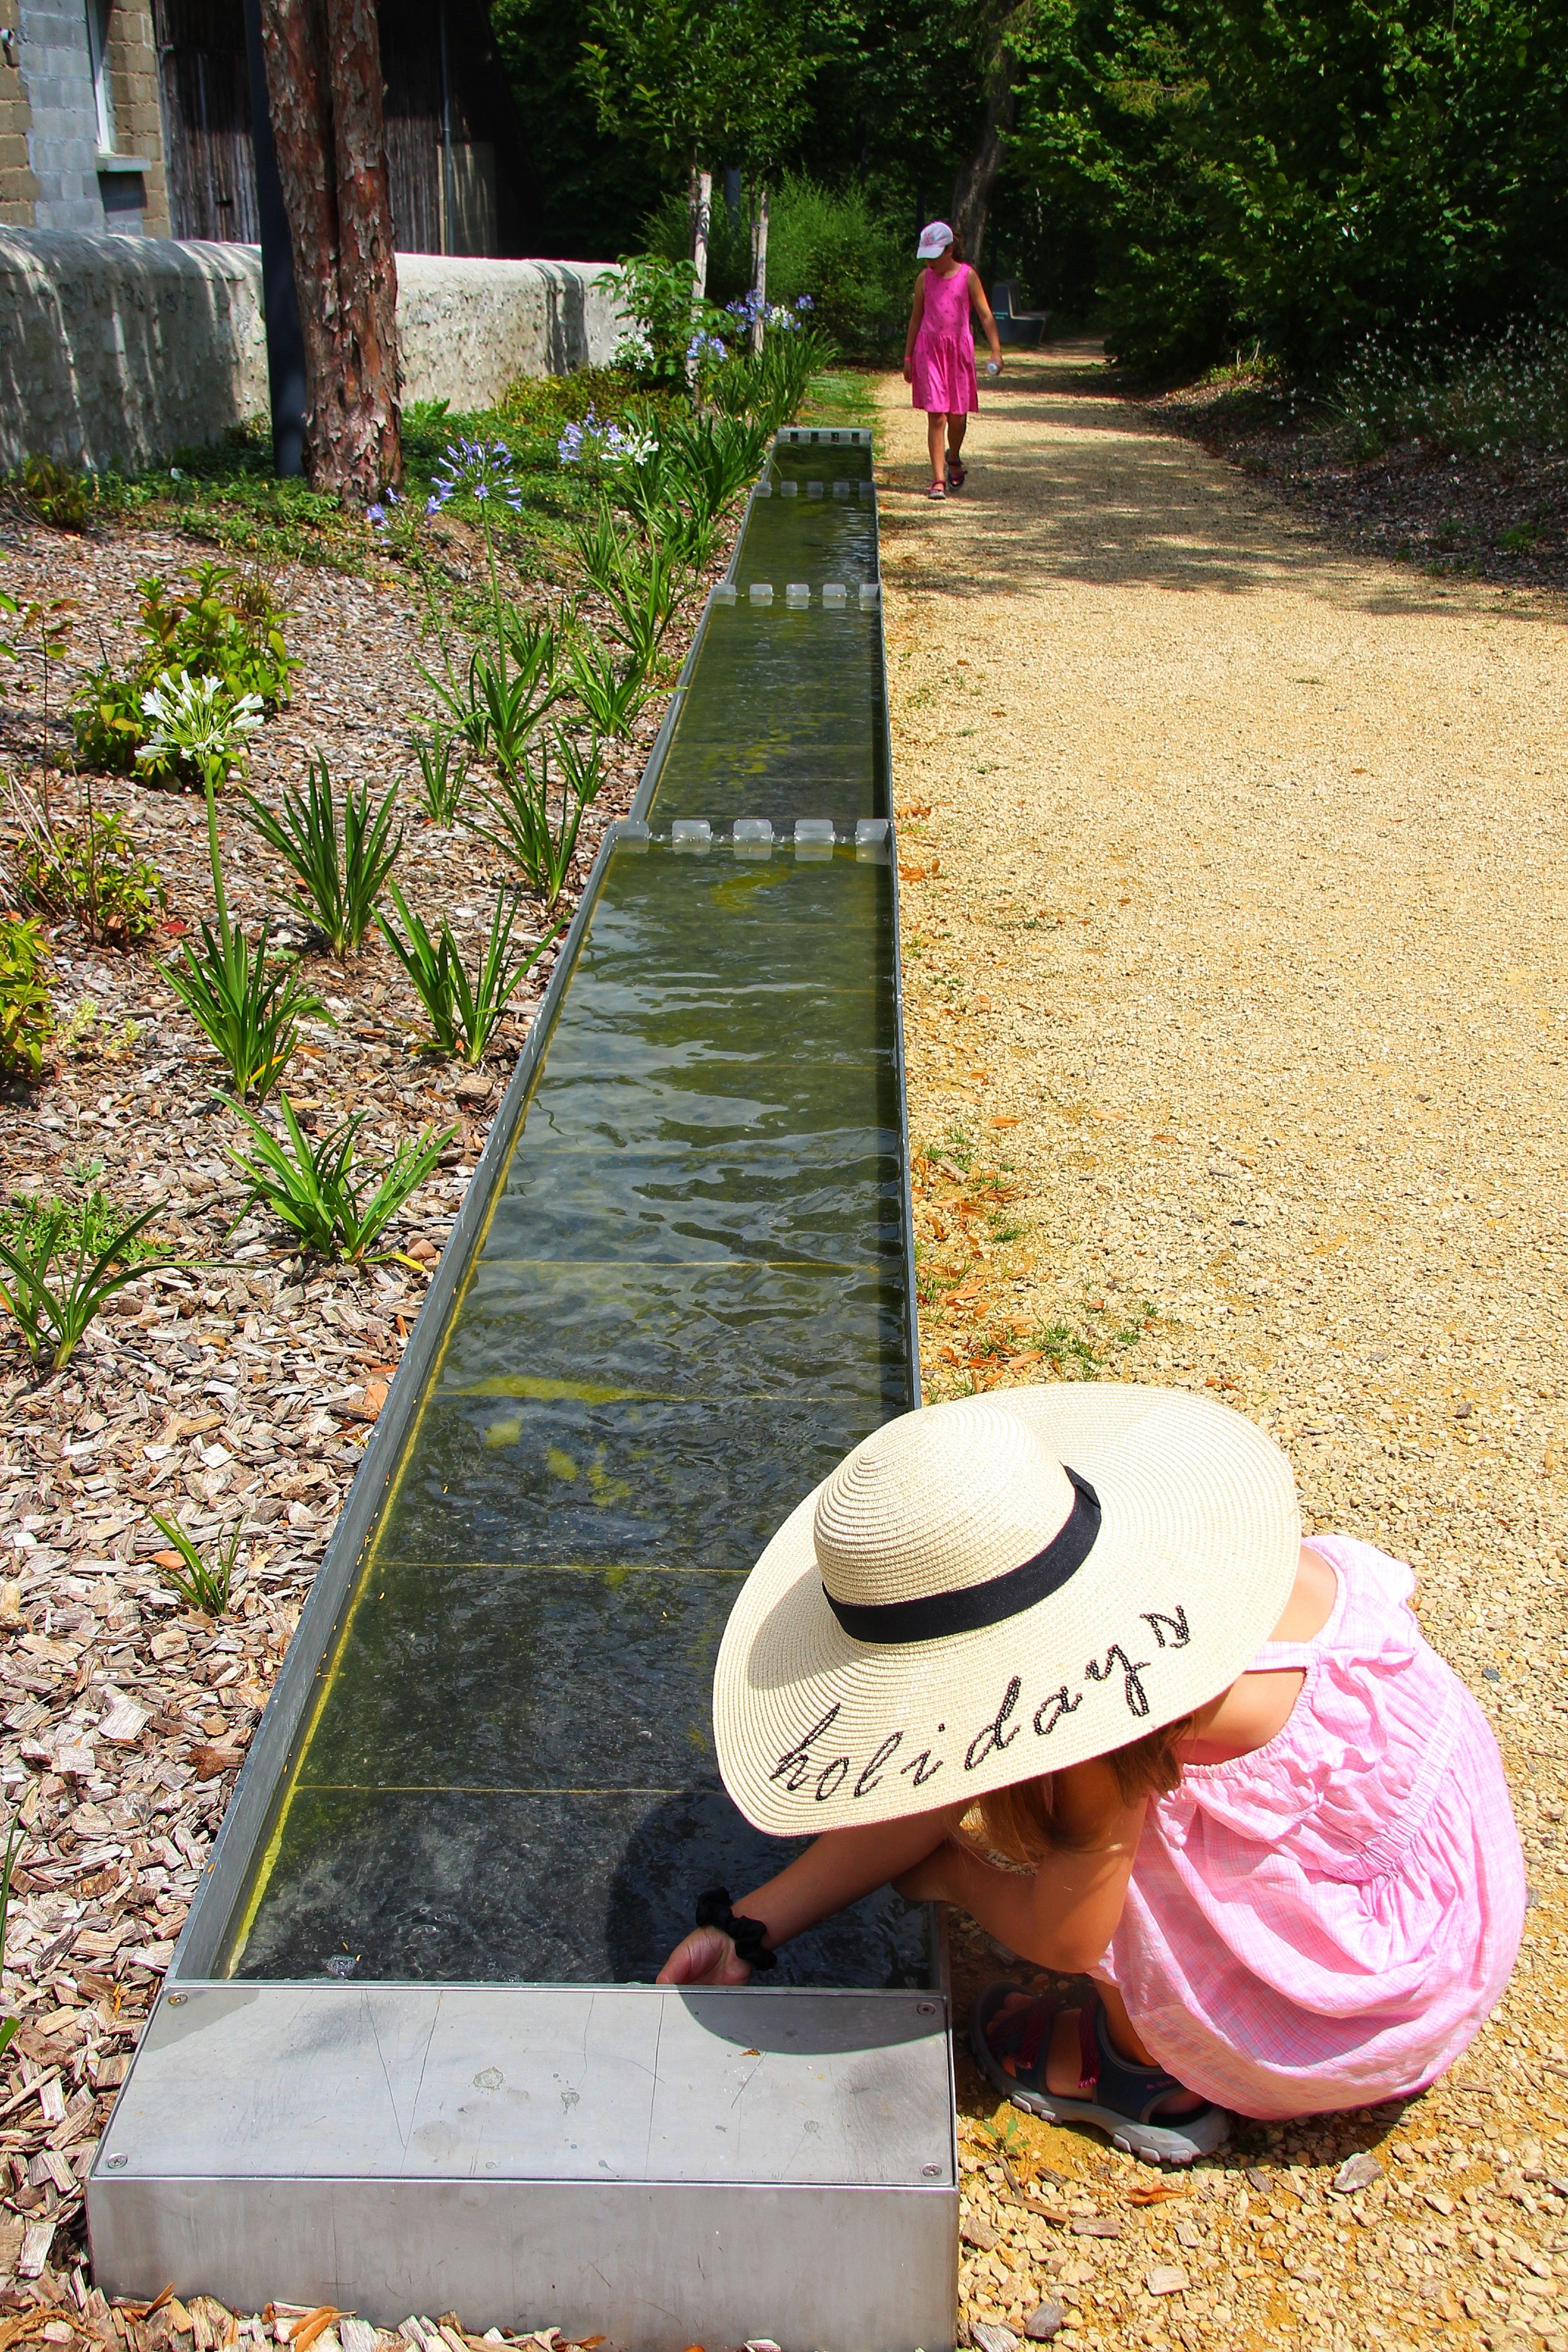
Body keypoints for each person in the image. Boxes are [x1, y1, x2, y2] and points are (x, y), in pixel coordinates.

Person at [657, 1386, 1525, 2165]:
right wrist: (749, 1927)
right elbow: (941, 1769)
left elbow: (1066, 1939)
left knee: (1112, 1866)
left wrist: (957, 1874)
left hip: (1367, 2008)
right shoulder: (1214, 1568)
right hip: (1452, 1898)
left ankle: (1142, 2074)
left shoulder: (1108, 1727)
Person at [902, 220, 1003, 499]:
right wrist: (909, 355)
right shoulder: (924, 279)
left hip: (958, 353)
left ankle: (954, 457)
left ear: (949, 251)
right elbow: (915, 319)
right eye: (926, 257)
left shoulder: (968, 277)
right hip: (930, 352)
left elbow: (985, 315)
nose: (930, 263)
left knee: (958, 417)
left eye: (934, 256)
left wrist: (995, 351)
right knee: (937, 416)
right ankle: (937, 479)